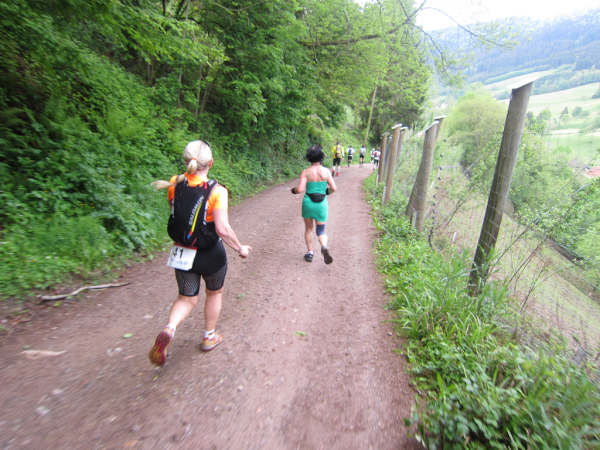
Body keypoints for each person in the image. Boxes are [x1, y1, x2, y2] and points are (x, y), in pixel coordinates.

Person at [148, 140, 252, 366]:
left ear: (187, 161)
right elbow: (222, 229)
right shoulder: (218, 191)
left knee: (186, 298)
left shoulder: (175, 183)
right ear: (210, 163)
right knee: (214, 293)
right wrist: (240, 247)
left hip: (183, 251)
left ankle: (170, 328)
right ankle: (209, 336)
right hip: (209, 254)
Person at [292, 144, 337, 264]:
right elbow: (334, 188)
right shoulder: (326, 171)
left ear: (309, 158)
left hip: (308, 203)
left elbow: (299, 189)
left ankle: (310, 253)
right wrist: (326, 192)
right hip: (321, 204)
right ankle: (324, 246)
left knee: (308, 229)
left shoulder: (306, 172)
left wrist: (293, 190)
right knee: (321, 231)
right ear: (321, 157)